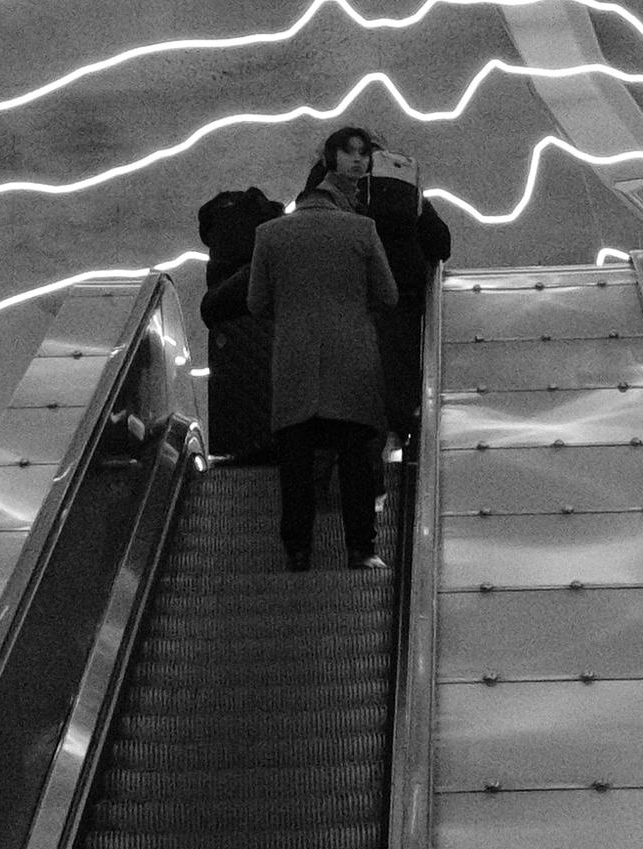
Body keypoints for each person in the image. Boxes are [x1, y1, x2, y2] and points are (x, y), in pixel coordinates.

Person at [247, 126, 392, 571]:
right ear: (331, 165)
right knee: (355, 460)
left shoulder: (269, 235)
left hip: (295, 363)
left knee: (296, 463)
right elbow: (388, 296)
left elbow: (256, 303)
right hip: (352, 361)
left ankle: (298, 550)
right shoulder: (363, 230)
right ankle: (361, 549)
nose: (359, 162)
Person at [360, 141, 451, 444]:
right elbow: (441, 242)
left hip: (354, 298)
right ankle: (396, 443)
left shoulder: (334, 188)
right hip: (404, 297)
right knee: (397, 372)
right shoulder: (405, 189)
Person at [191, 181, 281, 464]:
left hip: (227, 333)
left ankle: (236, 452)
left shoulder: (222, 283)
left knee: (231, 392)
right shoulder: (267, 240)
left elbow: (211, 308)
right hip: (266, 324)